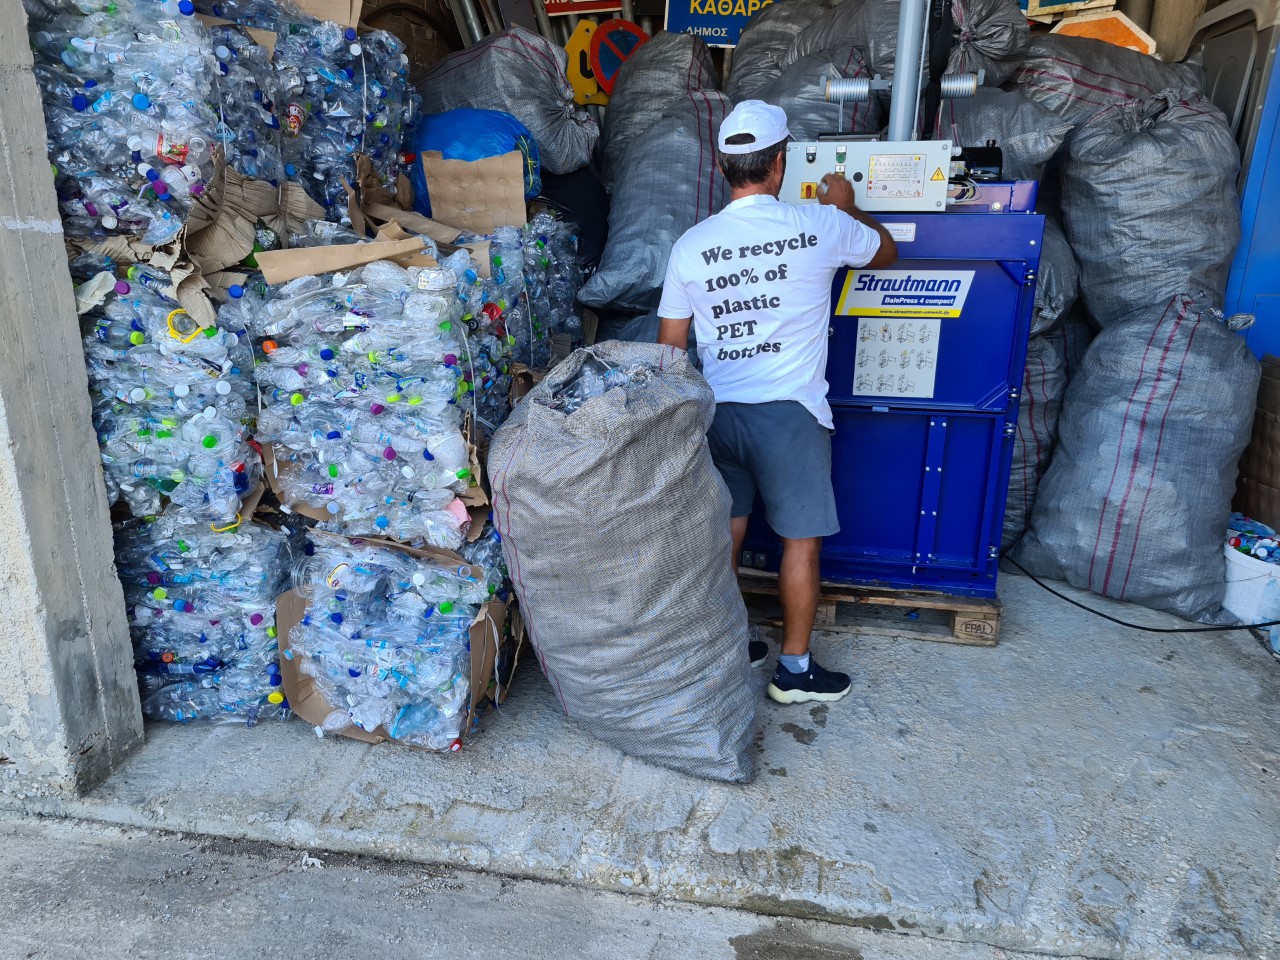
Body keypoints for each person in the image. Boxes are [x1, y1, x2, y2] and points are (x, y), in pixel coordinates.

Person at [656, 100, 897, 705]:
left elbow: (669, 352)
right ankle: (793, 671)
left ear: (724, 165)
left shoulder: (691, 245)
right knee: (800, 542)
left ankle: (723, 646)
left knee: (724, 536)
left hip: (717, 412)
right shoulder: (818, 223)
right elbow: (885, 252)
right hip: (789, 416)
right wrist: (846, 204)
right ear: (780, 163)